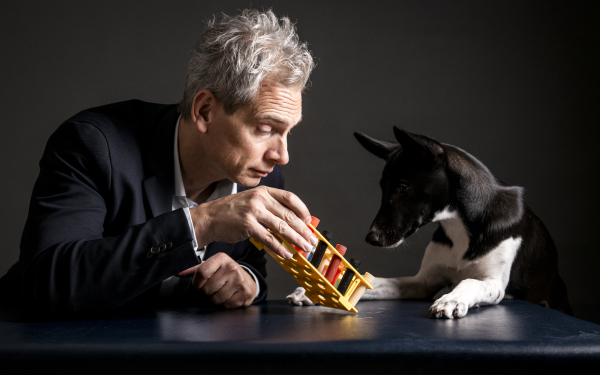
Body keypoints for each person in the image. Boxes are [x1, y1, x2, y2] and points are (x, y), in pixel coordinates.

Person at [0, 9, 316, 316]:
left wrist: (248, 282)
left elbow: (252, 270)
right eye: (264, 129)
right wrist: (200, 224)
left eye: (288, 131)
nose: (282, 155)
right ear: (205, 111)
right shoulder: (93, 144)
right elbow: (48, 281)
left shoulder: (263, 178)